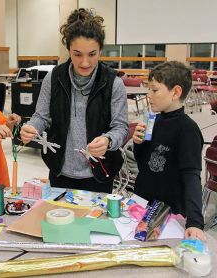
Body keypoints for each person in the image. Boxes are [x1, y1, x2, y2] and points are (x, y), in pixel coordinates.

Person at [20, 8, 128, 193]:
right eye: (77, 54)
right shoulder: (54, 78)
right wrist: (32, 127)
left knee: (94, 222)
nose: (85, 62)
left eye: (92, 54)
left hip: (99, 174)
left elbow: (121, 127)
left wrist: (108, 140)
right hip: (60, 170)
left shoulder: (113, 83)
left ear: (100, 50)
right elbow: (42, 116)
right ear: (68, 49)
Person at [132, 61, 205, 241]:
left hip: (168, 213)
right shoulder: (153, 121)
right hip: (143, 205)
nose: (149, 95)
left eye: (154, 90)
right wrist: (138, 144)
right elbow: (143, 164)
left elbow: (192, 177)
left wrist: (195, 222)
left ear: (176, 92)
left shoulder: (187, 130)